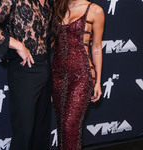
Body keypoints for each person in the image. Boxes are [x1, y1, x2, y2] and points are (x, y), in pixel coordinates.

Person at [0, 0, 53, 150]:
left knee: (41, 130)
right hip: (24, 69)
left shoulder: (50, 2)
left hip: (45, 66)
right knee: (24, 131)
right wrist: (18, 46)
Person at [52, 0, 104, 149]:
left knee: (70, 126)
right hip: (57, 74)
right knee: (62, 127)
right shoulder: (58, 6)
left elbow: (97, 47)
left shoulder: (95, 10)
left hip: (81, 74)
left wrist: (98, 80)